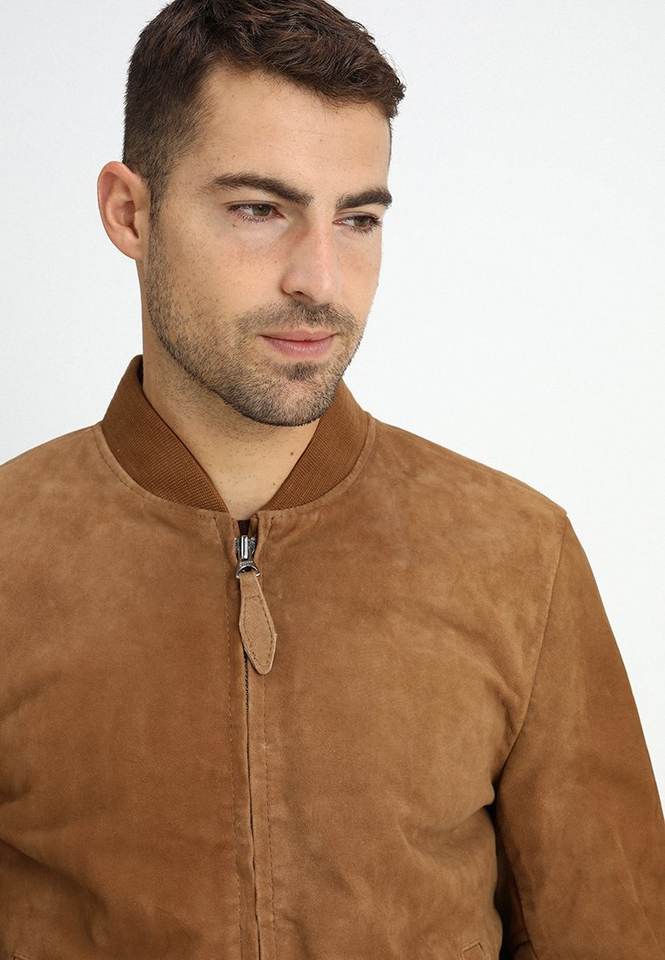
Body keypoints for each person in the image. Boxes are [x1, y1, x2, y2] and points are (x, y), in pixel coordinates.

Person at [1, 0, 663, 957]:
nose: (319, 279)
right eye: (258, 209)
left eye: (356, 219)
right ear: (129, 212)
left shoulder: (518, 554)